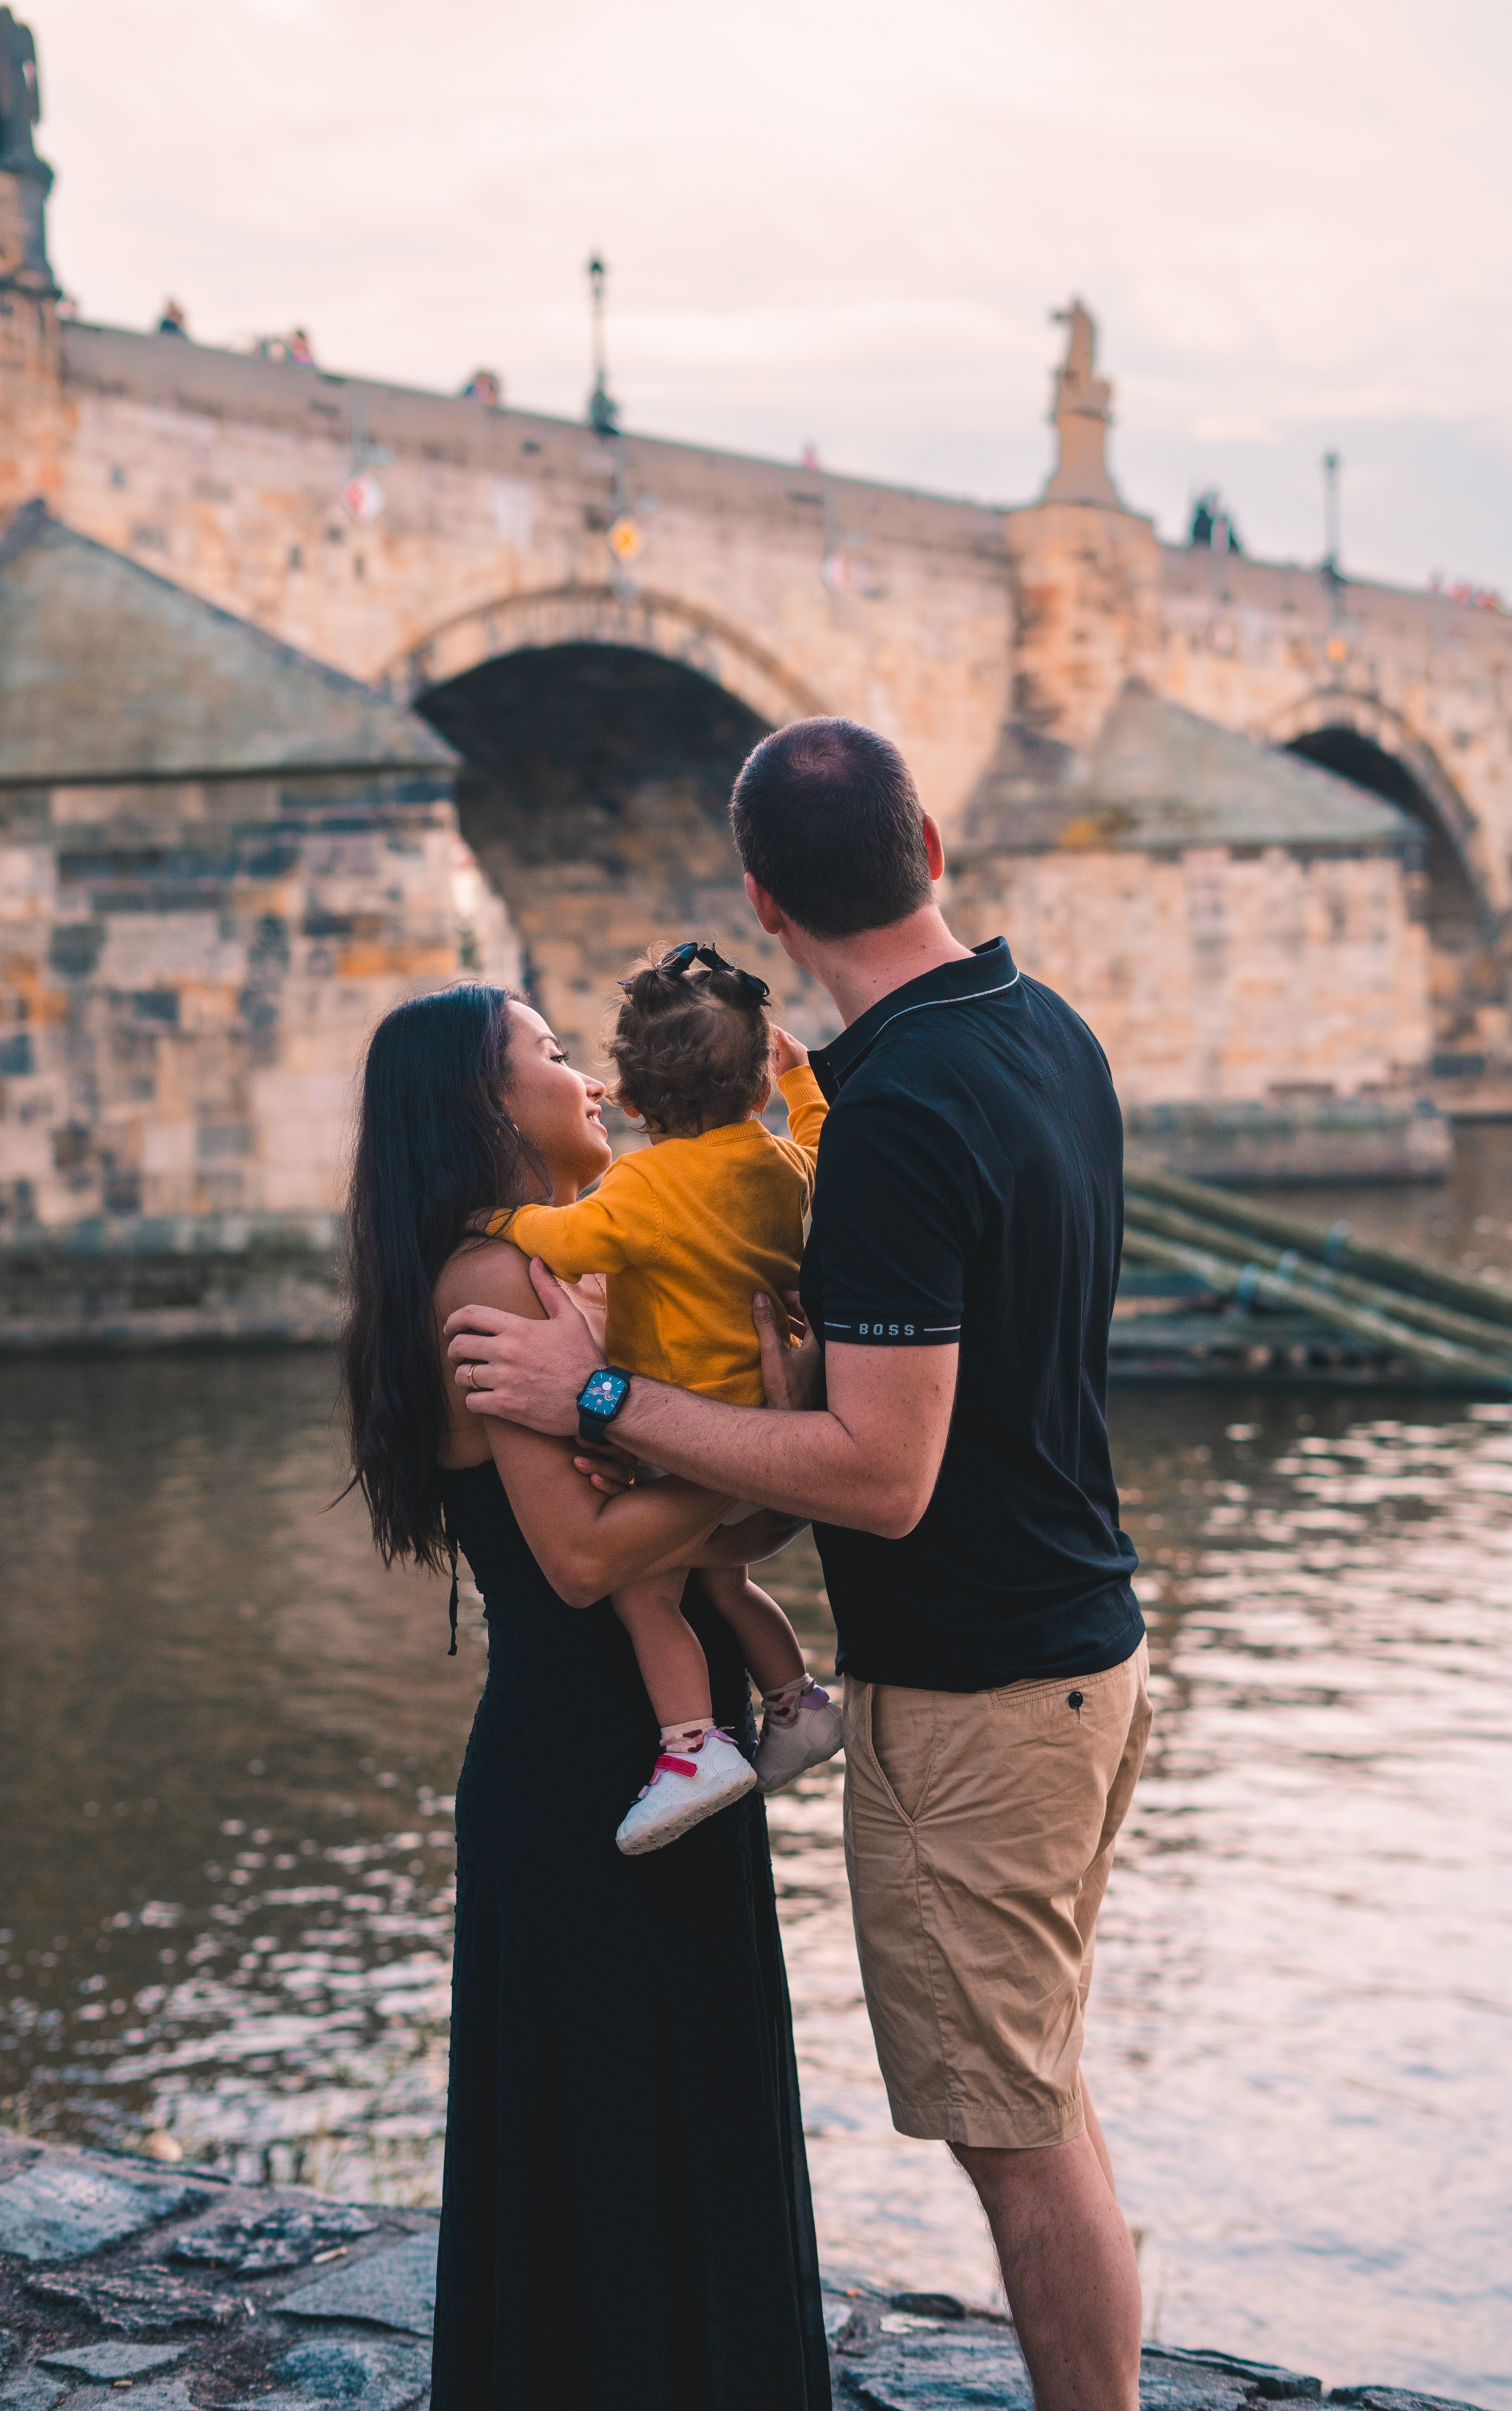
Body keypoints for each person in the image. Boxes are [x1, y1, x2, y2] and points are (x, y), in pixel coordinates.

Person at [443, 718, 1152, 2411]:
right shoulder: (1044, 1031)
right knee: (1040, 2100)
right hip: (1082, 1644)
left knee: (1016, 2145)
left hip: (980, 1688)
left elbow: (883, 1479)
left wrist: (599, 1395)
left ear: (764, 901)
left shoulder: (891, 1111)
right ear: (929, 843)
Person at [341, 986, 831, 2411]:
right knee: (616, 2151)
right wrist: (764, 1435)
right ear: (487, 1106)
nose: (591, 1079)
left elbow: (736, 1531)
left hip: (677, 1760)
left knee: (694, 2127)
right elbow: (581, 1560)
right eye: (554, 1055)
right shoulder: (488, 1281)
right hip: (585, 1779)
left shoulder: (583, 1260)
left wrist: (764, 1434)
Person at [489, 940, 843, 1854]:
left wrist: (500, 1222)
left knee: (650, 1595)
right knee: (726, 1580)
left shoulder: (644, 1184)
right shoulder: (779, 1166)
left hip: (679, 1423)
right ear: (755, 1087)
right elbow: (824, 1147)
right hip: (760, 1415)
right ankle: (798, 1702)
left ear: (636, 1102)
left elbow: (570, 1242)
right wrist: (803, 1085)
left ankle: (693, 1748)